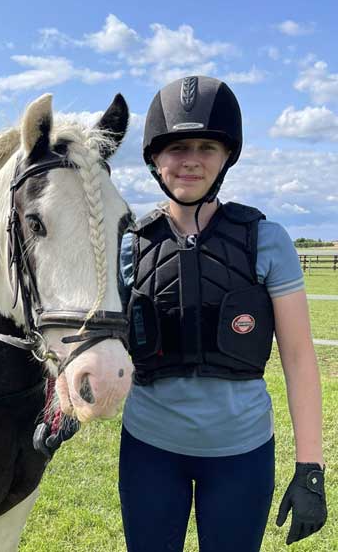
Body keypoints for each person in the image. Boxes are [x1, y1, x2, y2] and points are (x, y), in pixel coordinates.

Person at [118, 76, 326, 551]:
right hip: (150, 450)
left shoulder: (266, 241)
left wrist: (310, 467)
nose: (190, 159)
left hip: (241, 454)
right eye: (176, 147)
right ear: (153, 157)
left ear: (227, 156)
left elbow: (297, 357)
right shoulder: (130, 245)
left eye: (206, 147)